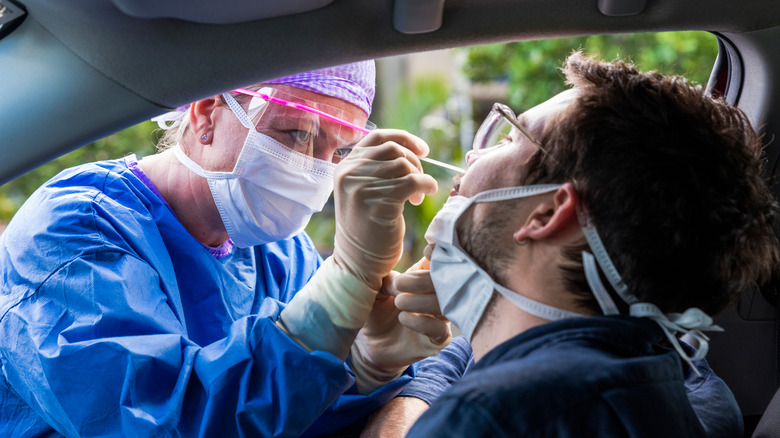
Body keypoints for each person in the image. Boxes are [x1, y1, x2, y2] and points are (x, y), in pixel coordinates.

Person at [0, 61, 451, 437]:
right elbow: (160, 423)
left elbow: (278, 419)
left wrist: (364, 366)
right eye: (296, 132)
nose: (315, 169)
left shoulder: (282, 254)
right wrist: (344, 283)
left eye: (338, 151)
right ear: (205, 112)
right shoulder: (76, 233)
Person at [366, 51, 779, 437]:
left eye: (509, 139)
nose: (472, 159)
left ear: (548, 214)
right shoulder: (653, 383)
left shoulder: (498, 413)